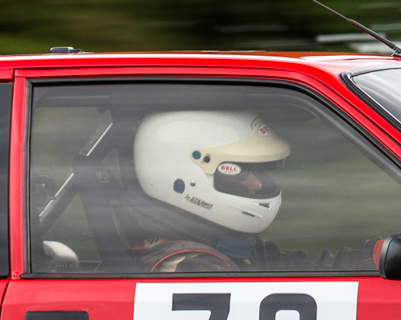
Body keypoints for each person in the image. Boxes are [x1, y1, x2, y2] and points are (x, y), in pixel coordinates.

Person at [123, 110, 373, 272]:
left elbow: (305, 268)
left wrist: (377, 255)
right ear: (184, 178)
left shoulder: (231, 246)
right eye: (238, 172)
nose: (257, 184)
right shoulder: (193, 267)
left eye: (256, 171)